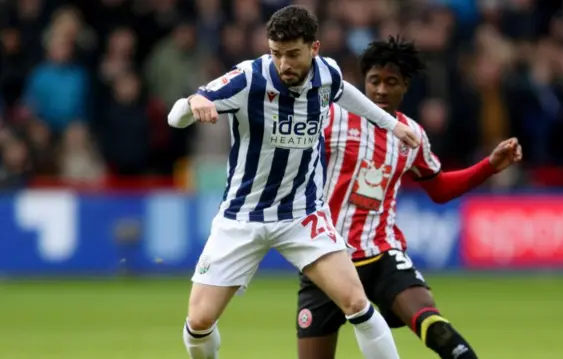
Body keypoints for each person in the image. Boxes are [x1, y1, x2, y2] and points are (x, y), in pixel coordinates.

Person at [167, 6, 420, 359]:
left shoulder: (326, 74)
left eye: (292, 54)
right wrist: (193, 101)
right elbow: (174, 116)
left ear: (313, 48)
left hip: (303, 215)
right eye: (276, 53)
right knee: (198, 322)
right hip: (242, 217)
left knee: (357, 303)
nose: (283, 63)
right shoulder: (248, 79)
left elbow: (345, 92)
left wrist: (391, 125)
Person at [296, 36, 523, 359]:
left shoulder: (411, 135)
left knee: (433, 322)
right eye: (375, 81)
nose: (381, 90)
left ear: (405, 87)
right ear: (364, 82)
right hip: (326, 257)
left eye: (392, 82)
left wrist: (490, 166)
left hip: (381, 253)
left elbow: (440, 188)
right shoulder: (333, 117)